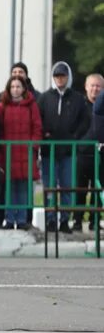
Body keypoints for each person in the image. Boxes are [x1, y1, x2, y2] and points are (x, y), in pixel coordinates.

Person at [36, 61, 89, 233]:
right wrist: (45, 133)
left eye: (63, 75)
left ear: (68, 77)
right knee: (50, 187)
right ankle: (51, 220)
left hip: (68, 151)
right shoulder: (44, 98)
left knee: (67, 187)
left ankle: (65, 219)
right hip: (48, 151)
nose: (60, 79)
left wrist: (75, 136)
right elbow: (38, 119)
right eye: (57, 76)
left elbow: (85, 120)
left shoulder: (77, 98)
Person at [0, 76, 42, 229]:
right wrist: (1, 147)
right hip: (8, 153)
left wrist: (34, 146)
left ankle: (22, 220)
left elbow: (37, 127)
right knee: (9, 189)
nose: (15, 89)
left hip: (26, 153)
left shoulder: (32, 106)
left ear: (24, 88)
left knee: (23, 188)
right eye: (13, 87)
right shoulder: (2, 106)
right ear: (9, 89)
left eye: (18, 86)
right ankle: (9, 220)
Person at [73, 73, 103, 232]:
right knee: (80, 189)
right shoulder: (80, 105)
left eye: (98, 86)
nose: (95, 89)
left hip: (100, 155)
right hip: (82, 154)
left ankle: (95, 220)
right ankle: (77, 220)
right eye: (92, 85)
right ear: (86, 87)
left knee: (98, 191)